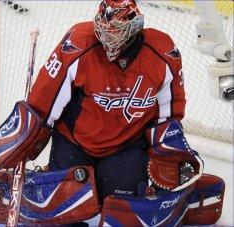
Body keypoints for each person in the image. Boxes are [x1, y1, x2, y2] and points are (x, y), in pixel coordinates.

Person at [28, 0, 189, 200]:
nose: (106, 37)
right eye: (103, 30)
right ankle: (51, 173)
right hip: (75, 141)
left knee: (117, 205)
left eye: (115, 31)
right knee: (66, 203)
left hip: (127, 145)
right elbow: (46, 94)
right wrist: (31, 134)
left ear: (134, 27)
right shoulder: (79, 43)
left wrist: (166, 146)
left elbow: (170, 109)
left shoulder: (162, 52)